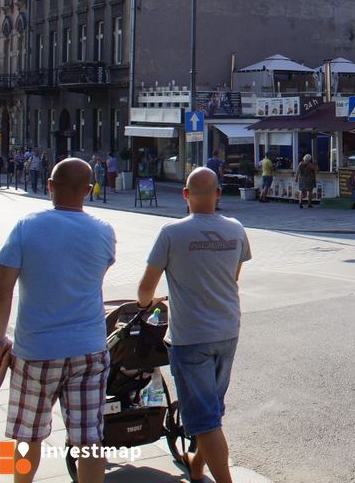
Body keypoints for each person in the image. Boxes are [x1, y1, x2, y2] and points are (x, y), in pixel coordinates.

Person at [0, 158, 116, 483]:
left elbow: (1, 291)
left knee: (24, 436)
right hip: (88, 349)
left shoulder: (26, 226)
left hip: (35, 351)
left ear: (49, 186)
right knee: (90, 440)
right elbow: (93, 280)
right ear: (89, 191)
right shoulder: (104, 231)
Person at [137, 167, 252, 483]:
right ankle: (197, 465)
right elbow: (233, 277)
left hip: (190, 338)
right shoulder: (237, 229)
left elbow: (145, 289)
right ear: (218, 194)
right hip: (228, 331)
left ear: (185, 194)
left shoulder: (171, 233)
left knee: (205, 418)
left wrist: (149, 304)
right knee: (211, 410)